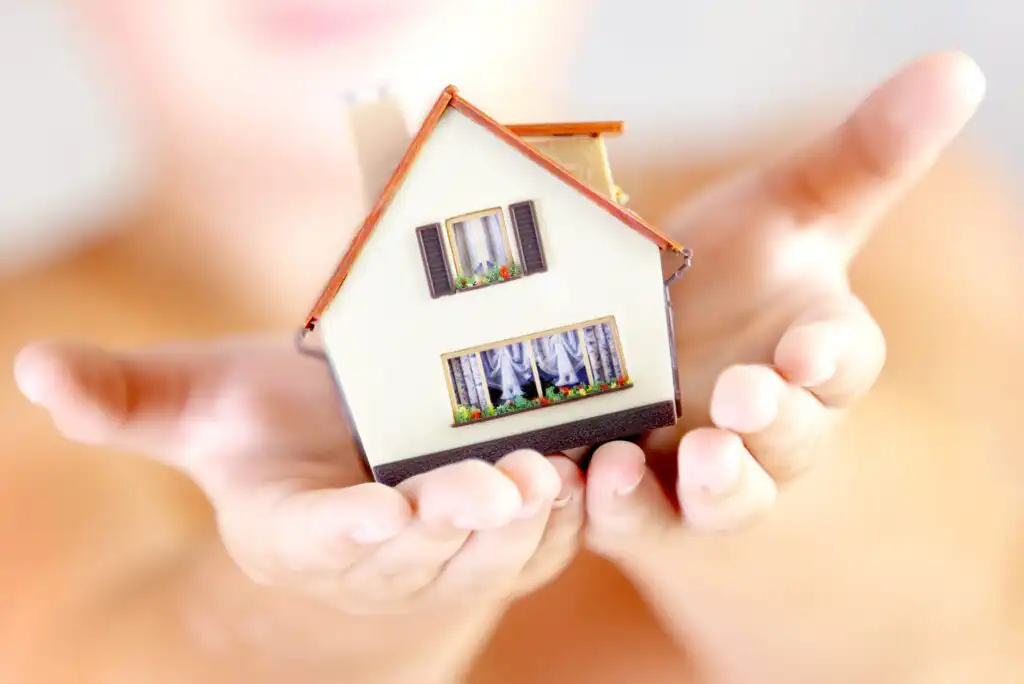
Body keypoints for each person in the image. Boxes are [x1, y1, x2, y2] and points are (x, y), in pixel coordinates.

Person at [2, 1, 1022, 682]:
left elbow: (979, 623)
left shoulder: (876, 232)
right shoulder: (35, 365)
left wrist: (771, 469)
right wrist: (324, 612)